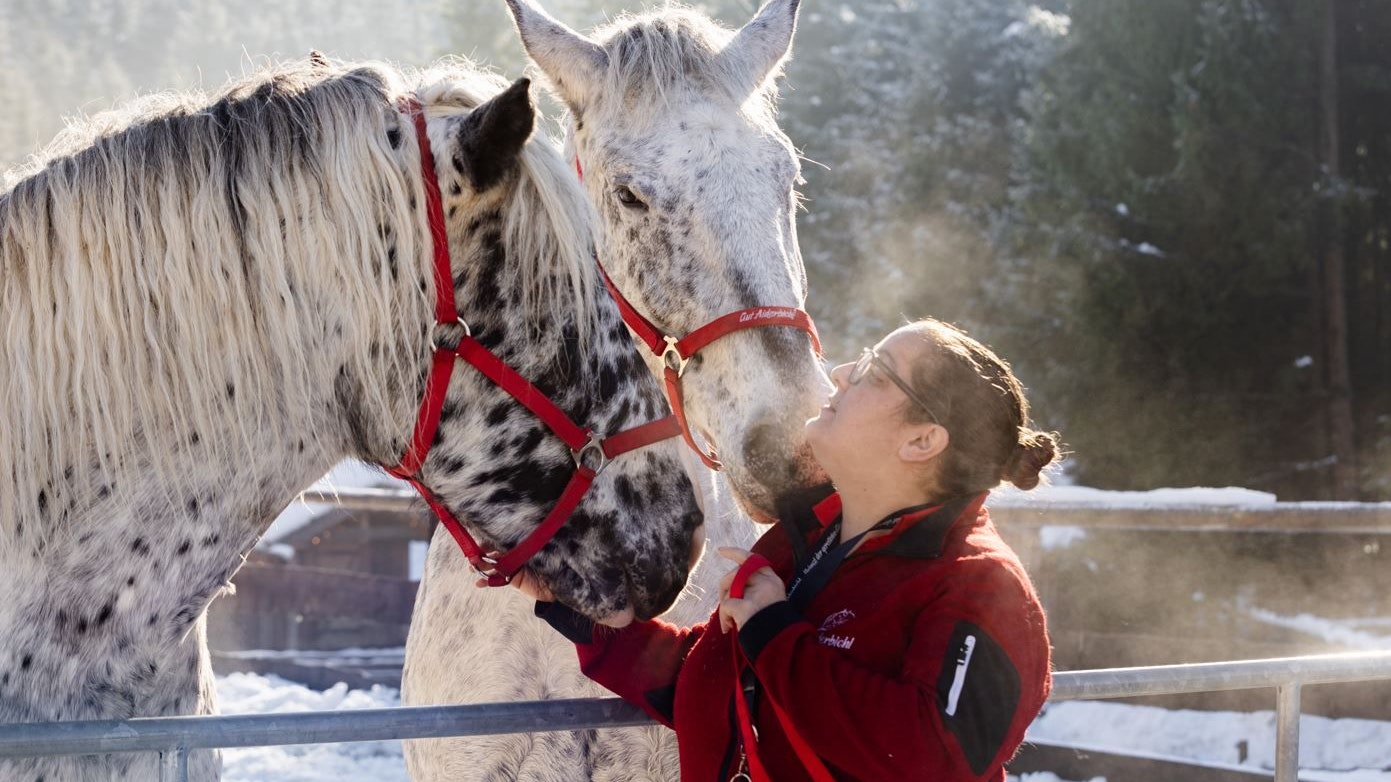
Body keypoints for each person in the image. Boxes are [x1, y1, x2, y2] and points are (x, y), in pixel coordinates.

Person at [511, 318, 1058, 781]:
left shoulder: (984, 586)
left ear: (922, 441)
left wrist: (773, 633)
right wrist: (576, 604)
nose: (841, 374)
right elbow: (716, 683)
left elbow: (934, 754)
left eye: (874, 372)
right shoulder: (808, 540)